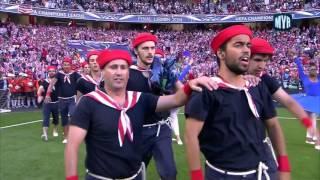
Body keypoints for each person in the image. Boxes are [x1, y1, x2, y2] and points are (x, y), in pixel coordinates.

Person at [64, 49, 215, 180]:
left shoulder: (139, 99)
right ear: (103, 72)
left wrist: (190, 85)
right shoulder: (89, 103)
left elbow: (177, 99)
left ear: (129, 73)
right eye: (113, 67)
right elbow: (72, 145)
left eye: (123, 68)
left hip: (135, 176)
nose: (119, 72)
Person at [184, 25, 291, 180]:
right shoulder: (206, 90)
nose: (247, 50)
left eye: (248, 45)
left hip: (263, 171)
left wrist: (284, 166)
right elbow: (190, 135)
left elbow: (273, 125)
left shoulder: (257, 86)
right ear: (221, 53)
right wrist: (197, 177)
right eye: (238, 45)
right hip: (223, 176)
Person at [247, 37, 319, 150]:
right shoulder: (229, 80)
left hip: (257, 148)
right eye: (257, 60)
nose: (262, 66)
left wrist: (308, 125)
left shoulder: (266, 80)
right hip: (230, 154)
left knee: (312, 119)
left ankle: (312, 136)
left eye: (265, 61)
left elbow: (289, 102)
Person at [127, 32, 180, 179]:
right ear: (136, 51)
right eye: (145, 48)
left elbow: (182, 94)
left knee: (170, 173)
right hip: (138, 131)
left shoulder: (162, 70)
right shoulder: (127, 73)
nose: (150, 52)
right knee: (134, 173)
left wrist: (173, 77)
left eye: (153, 48)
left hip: (161, 128)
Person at [45, 57, 81, 143]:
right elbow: (51, 84)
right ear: (62, 66)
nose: (66, 66)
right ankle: (66, 137)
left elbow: (82, 82)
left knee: (72, 115)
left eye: (68, 64)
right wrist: (47, 95)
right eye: (64, 65)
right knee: (64, 119)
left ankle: (74, 133)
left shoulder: (75, 74)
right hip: (61, 100)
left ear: (71, 65)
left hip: (72, 99)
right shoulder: (59, 74)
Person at [293, 53, 320, 149]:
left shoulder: (318, 78)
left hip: (315, 101)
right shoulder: (305, 78)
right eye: (311, 69)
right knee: (312, 120)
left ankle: (309, 138)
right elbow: (299, 67)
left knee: (312, 119)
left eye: (314, 69)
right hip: (308, 101)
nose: (313, 71)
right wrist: (295, 58)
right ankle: (316, 141)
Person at [37, 66, 59, 141]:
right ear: (48, 72)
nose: (51, 72)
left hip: (56, 103)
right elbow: (40, 90)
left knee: (56, 119)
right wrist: (39, 96)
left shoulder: (58, 80)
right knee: (46, 118)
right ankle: (45, 134)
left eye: (53, 71)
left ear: (55, 72)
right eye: (50, 71)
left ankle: (55, 130)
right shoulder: (45, 81)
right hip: (47, 103)